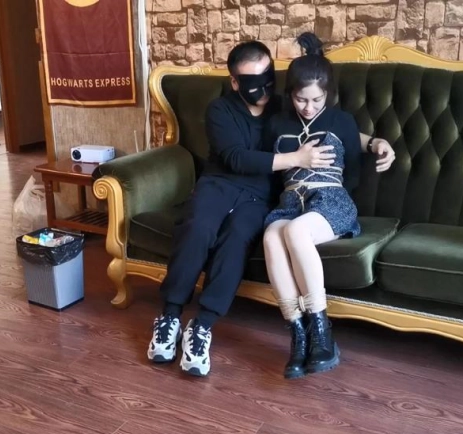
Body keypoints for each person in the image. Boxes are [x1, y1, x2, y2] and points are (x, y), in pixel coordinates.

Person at [147, 40, 396, 377]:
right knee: (201, 227)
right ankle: (171, 315)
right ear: (235, 82)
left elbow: (334, 126)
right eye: (252, 82)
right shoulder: (224, 110)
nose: (263, 89)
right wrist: (296, 158)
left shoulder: (284, 106)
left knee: (238, 237)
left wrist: (376, 142)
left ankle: (204, 324)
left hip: (261, 195)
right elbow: (236, 157)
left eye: (268, 78)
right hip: (224, 185)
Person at [262, 32, 374, 379]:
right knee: (272, 236)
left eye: (316, 99)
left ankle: (322, 332)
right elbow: (269, 170)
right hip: (289, 200)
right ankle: (298, 334)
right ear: (290, 94)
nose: (308, 107)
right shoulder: (277, 123)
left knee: (296, 231)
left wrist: (377, 143)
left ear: (328, 94)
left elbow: (353, 171)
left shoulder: (342, 121)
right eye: (300, 99)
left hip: (330, 199)